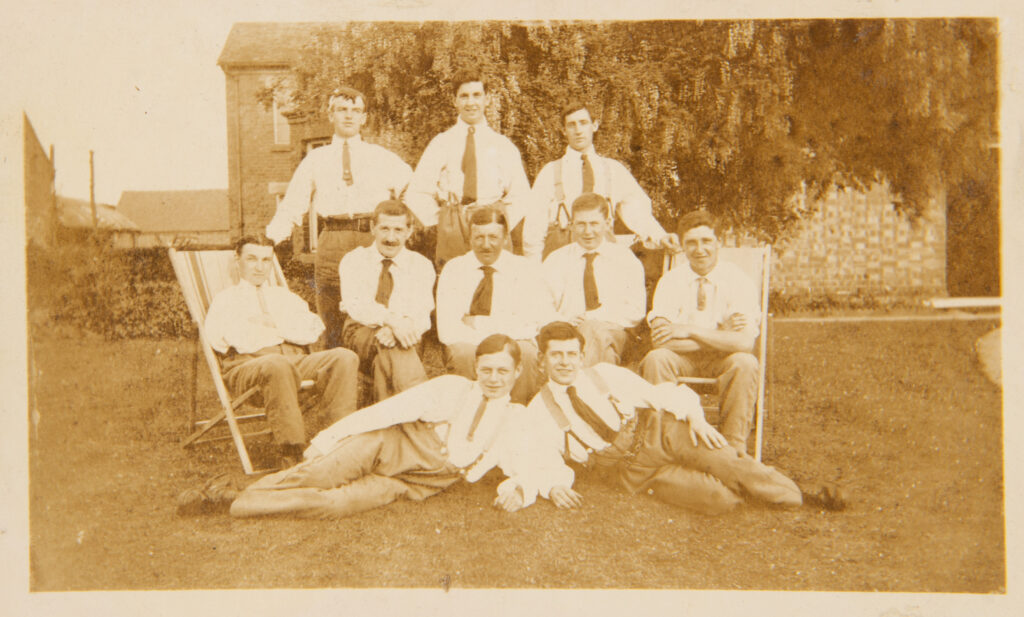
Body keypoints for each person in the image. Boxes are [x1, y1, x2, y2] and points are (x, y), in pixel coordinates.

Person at [229, 334, 569, 518]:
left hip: (416, 481)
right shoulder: (451, 387)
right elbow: (386, 412)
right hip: (388, 445)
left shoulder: (516, 418)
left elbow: (531, 461)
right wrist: (328, 438)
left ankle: (242, 502)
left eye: (502, 371)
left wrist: (525, 491)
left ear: (518, 372)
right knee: (317, 474)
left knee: (336, 504)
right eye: (486, 370)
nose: (493, 379)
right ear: (476, 368)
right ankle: (230, 496)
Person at [496, 322, 811, 516]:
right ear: (542, 360)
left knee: (728, 462)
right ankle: (753, 490)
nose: (564, 362)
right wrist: (552, 486)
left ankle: (798, 496)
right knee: (717, 500)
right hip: (633, 472)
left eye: (570, 354)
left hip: (660, 431)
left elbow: (659, 393)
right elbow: (542, 458)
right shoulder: (539, 410)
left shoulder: (604, 374)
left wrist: (694, 417)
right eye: (556, 355)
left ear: (581, 356)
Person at [264, 87, 413, 349]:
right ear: (330, 114)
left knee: (376, 308)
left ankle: (373, 379)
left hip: (371, 238)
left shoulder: (382, 157)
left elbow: (415, 191)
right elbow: (293, 204)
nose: (349, 116)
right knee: (331, 314)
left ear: (364, 118)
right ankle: (337, 373)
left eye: (356, 111)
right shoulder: (316, 159)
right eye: (342, 110)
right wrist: (269, 240)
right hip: (333, 238)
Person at [204, 235, 360, 465]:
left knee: (345, 357)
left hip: (292, 363)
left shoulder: (284, 297)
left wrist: (271, 323)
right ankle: (293, 451)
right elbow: (231, 339)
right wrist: (287, 328)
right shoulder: (225, 300)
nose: (259, 267)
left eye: (266, 260)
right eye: (252, 259)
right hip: (248, 367)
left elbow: (313, 328)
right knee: (278, 364)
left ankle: (338, 441)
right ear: (237, 260)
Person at [640, 210, 760, 453]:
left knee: (745, 362)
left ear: (719, 243)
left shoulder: (738, 280)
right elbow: (662, 343)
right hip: (681, 360)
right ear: (682, 247)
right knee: (656, 358)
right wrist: (721, 334)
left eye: (706, 241)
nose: (699, 249)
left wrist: (689, 330)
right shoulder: (671, 281)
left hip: (724, 362)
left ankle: (733, 450)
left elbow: (745, 343)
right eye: (691, 243)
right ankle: (663, 447)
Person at [522, 101, 680, 260]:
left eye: (583, 123)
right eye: (571, 125)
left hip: (604, 255)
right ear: (564, 131)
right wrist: (534, 270)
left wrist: (660, 236)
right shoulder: (550, 172)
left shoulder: (613, 170)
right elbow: (533, 228)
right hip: (563, 256)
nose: (578, 130)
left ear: (595, 125)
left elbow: (637, 212)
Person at [405, 70, 531, 266]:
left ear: (487, 99)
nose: (471, 102)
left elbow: (521, 195)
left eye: (476, 95)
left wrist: (500, 223)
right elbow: (416, 192)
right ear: (455, 101)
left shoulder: (502, 145)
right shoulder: (442, 143)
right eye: (464, 96)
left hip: (491, 225)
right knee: (457, 280)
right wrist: (442, 220)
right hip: (455, 225)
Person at [435, 205, 551, 404]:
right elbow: (446, 330)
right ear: (470, 238)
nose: (486, 245)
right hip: (469, 344)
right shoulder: (454, 270)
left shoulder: (524, 269)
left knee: (528, 353)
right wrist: (499, 330)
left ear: (505, 238)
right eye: (479, 237)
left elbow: (532, 322)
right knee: (463, 353)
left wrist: (479, 324)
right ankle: (468, 413)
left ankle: (517, 413)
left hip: (511, 341)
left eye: (493, 237)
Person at [338, 200, 435, 402]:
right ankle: (420, 409)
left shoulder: (421, 265)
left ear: (409, 231)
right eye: (384, 229)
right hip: (361, 332)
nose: (391, 238)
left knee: (389, 351)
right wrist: (393, 322)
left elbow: (422, 313)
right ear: (373, 228)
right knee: (395, 347)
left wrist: (397, 329)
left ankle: (385, 421)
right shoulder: (354, 260)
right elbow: (358, 306)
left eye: (398, 230)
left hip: (405, 333)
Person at [541, 193, 646, 366]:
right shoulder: (556, 260)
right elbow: (542, 305)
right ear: (572, 225)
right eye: (581, 224)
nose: (588, 232)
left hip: (613, 331)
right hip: (563, 332)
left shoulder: (624, 259)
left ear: (607, 224)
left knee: (593, 332)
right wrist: (563, 322)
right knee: (602, 353)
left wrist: (592, 317)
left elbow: (635, 311)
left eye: (594, 224)